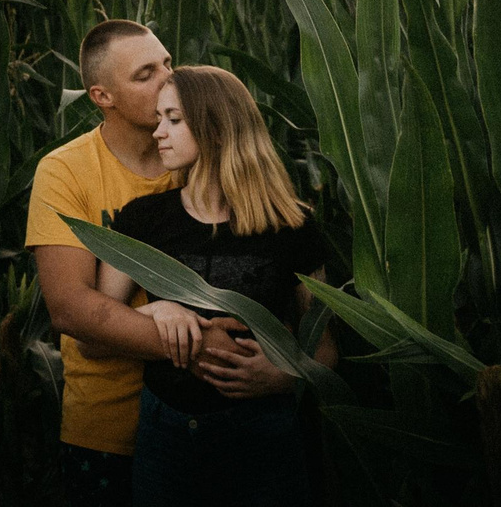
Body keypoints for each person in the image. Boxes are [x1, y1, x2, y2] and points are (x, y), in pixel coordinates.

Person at [28, 23, 293, 503]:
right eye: (145, 74)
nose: (168, 77)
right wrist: (203, 343)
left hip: (226, 425)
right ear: (102, 96)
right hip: (107, 428)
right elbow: (69, 310)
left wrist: (282, 374)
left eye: (168, 63)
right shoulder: (66, 171)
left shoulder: (202, 168)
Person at [97, 65, 336, 506]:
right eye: (159, 119)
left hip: (264, 435)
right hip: (167, 432)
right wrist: (155, 310)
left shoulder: (292, 226)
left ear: (217, 128)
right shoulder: (142, 220)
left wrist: (283, 376)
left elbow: (325, 351)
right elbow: (96, 334)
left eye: (174, 119)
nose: (158, 134)